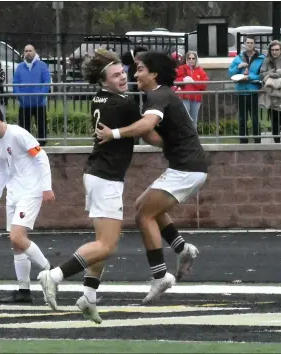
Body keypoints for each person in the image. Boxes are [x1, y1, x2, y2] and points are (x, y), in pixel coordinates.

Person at [37, 48, 163, 323]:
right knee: (106, 245)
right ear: (104, 80)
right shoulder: (122, 103)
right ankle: (53, 275)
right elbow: (147, 132)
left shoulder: (102, 97)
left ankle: (88, 297)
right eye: (116, 75)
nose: (123, 78)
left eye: (123, 73)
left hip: (99, 174)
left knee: (101, 244)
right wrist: (173, 143)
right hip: (104, 177)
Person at [95, 51, 207, 304]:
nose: (135, 75)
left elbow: (147, 127)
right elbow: (153, 136)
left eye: (140, 69)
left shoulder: (159, 94)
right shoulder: (158, 96)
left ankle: (160, 276)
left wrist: (114, 133)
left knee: (143, 215)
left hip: (188, 168)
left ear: (154, 73)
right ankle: (182, 248)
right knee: (143, 207)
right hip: (186, 166)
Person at [0, 100, 56, 304]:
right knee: (16, 243)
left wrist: (46, 186)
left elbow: (41, 156)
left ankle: (51, 274)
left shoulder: (18, 134)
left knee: (17, 236)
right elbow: (0, 171)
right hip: (13, 194)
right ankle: (24, 291)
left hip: (31, 191)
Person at [228, 36, 265, 144]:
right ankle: (243, 141)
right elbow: (230, 73)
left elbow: (262, 75)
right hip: (241, 91)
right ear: (244, 44)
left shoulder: (261, 58)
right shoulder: (238, 58)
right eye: (247, 42)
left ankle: (257, 141)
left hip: (253, 91)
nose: (249, 44)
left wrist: (250, 77)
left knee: (254, 118)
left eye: (251, 43)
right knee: (242, 118)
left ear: (254, 44)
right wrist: (238, 67)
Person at [13, 44, 52, 145]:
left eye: (30, 51)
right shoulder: (19, 67)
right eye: (26, 51)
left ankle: (42, 145)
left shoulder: (42, 66)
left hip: (39, 103)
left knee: (41, 126)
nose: (28, 53)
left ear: (34, 52)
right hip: (24, 103)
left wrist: (40, 95)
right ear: (23, 53)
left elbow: (47, 82)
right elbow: (15, 84)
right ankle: (25, 145)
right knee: (23, 128)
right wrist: (20, 96)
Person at [259, 40, 281, 143]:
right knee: (274, 120)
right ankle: (277, 143)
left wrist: (271, 74)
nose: (274, 52)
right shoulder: (266, 60)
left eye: (277, 49)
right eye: (272, 50)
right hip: (271, 94)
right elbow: (262, 73)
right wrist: (276, 72)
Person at [173, 51, 209, 129]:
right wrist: (183, 79)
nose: (191, 60)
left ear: (196, 59)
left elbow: (204, 84)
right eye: (189, 58)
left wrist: (193, 81)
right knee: (185, 119)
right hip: (184, 97)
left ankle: (193, 138)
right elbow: (175, 80)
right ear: (186, 59)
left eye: (193, 58)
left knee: (194, 119)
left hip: (196, 98)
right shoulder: (182, 68)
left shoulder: (200, 70)